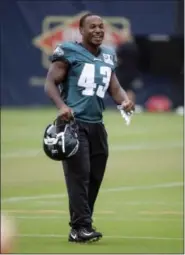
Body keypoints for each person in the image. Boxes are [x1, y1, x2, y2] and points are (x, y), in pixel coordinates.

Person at [44, 13, 134, 243]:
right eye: (92, 27)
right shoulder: (69, 51)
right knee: (79, 177)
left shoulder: (108, 55)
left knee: (94, 177)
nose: (98, 30)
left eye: (101, 27)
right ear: (81, 31)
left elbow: (114, 88)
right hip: (73, 125)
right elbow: (50, 82)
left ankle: (80, 226)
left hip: (97, 125)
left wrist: (124, 101)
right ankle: (81, 227)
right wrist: (62, 106)